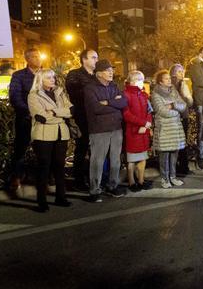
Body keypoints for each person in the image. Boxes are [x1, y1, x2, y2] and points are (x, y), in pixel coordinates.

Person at [28, 69, 73, 212]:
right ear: (40, 80)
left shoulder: (59, 92)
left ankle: (61, 197)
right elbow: (41, 117)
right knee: (44, 167)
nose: (53, 80)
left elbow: (71, 111)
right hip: (43, 135)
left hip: (61, 134)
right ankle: (41, 201)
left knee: (60, 166)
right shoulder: (33, 96)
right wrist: (61, 113)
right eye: (49, 78)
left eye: (53, 77)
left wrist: (53, 112)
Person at [84, 59, 128, 201]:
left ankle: (112, 186)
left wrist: (108, 102)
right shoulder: (90, 88)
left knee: (115, 160)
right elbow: (96, 108)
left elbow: (123, 102)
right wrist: (115, 104)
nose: (111, 72)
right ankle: (94, 190)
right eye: (108, 71)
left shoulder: (114, 86)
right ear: (99, 74)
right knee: (97, 161)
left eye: (111, 70)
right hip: (99, 130)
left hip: (116, 128)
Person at [7, 48, 42, 191]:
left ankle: (43, 177)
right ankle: (16, 177)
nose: (38, 59)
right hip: (26, 119)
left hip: (44, 119)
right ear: (27, 59)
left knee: (43, 150)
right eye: (34, 56)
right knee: (20, 149)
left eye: (38, 56)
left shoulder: (46, 74)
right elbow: (15, 97)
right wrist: (30, 111)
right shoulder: (19, 76)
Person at [64, 49, 98, 190]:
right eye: (93, 57)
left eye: (97, 57)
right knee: (82, 148)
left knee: (96, 150)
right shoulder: (74, 74)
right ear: (84, 59)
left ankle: (95, 178)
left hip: (97, 116)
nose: (96, 60)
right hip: (82, 117)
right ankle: (79, 180)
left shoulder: (98, 75)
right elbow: (75, 94)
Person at [151, 69, 188, 188]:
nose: (169, 80)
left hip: (175, 128)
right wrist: (176, 112)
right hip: (165, 129)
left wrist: (173, 106)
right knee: (164, 155)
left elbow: (183, 105)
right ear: (160, 82)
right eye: (166, 79)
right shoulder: (155, 94)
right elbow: (161, 111)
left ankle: (173, 177)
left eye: (169, 78)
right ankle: (164, 178)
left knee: (174, 154)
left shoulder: (173, 91)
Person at [123, 70, 154, 191]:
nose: (143, 82)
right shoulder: (126, 95)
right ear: (134, 81)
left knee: (143, 157)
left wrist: (147, 124)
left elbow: (149, 111)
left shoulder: (143, 94)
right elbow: (126, 115)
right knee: (131, 159)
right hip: (133, 131)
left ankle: (141, 181)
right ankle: (131, 182)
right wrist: (143, 123)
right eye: (141, 80)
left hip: (143, 130)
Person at [170, 63, 194, 175]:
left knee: (183, 141)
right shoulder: (171, 85)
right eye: (179, 71)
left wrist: (187, 99)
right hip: (175, 117)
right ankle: (176, 167)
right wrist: (186, 98)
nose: (182, 73)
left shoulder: (184, 84)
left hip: (183, 116)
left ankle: (184, 167)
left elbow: (189, 101)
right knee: (176, 142)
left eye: (182, 71)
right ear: (173, 73)